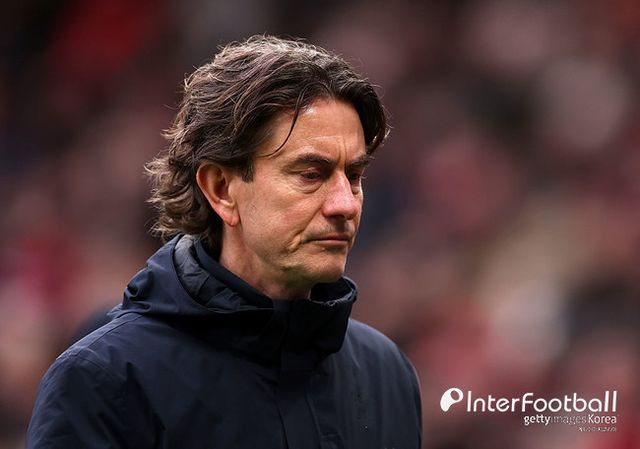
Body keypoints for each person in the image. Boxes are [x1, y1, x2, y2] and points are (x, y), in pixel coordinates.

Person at [26, 35, 422, 449]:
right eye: (311, 174)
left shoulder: (387, 375)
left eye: (354, 176)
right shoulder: (105, 383)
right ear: (221, 189)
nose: (345, 204)